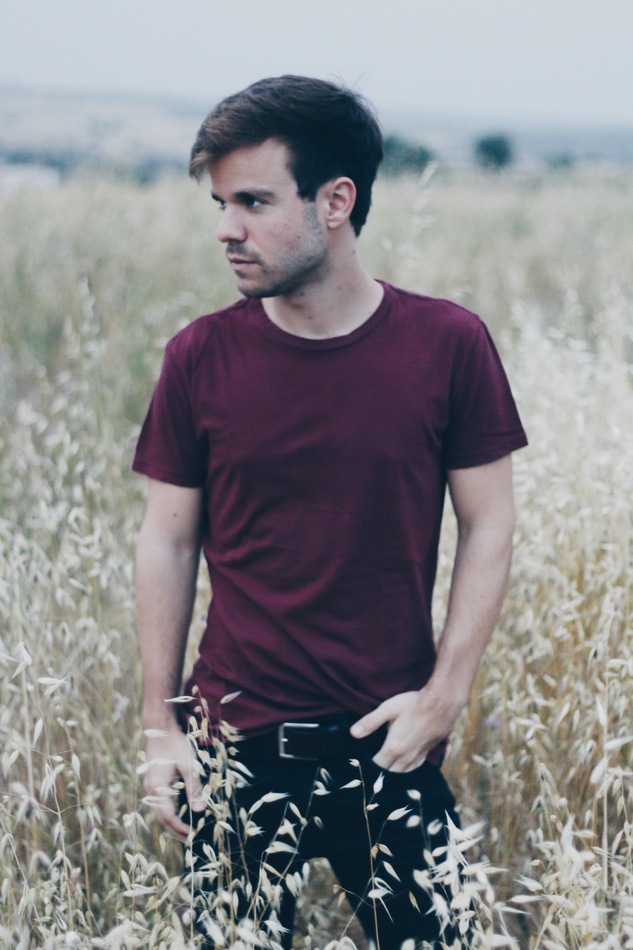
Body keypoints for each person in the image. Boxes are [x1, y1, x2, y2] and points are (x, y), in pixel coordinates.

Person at [133, 75, 527, 949]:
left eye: (253, 202)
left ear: (336, 202)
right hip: (234, 744)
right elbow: (166, 541)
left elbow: (489, 522)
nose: (226, 228)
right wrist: (162, 728)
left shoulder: (446, 344)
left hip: (389, 736)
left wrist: (444, 698)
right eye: (220, 205)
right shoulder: (199, 357)